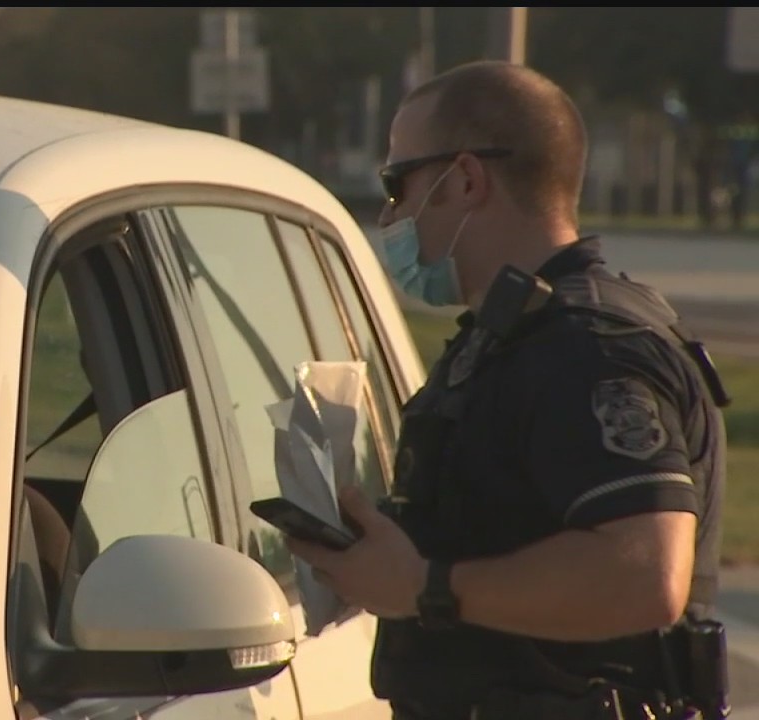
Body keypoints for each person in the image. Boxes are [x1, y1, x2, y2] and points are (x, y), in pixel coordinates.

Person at [284, 61, 730, 720]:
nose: (390, 214)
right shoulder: (509, 340)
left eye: (397, 183)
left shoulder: (585, 347)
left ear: (465, 179)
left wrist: (423, 587)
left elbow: (645, 576)